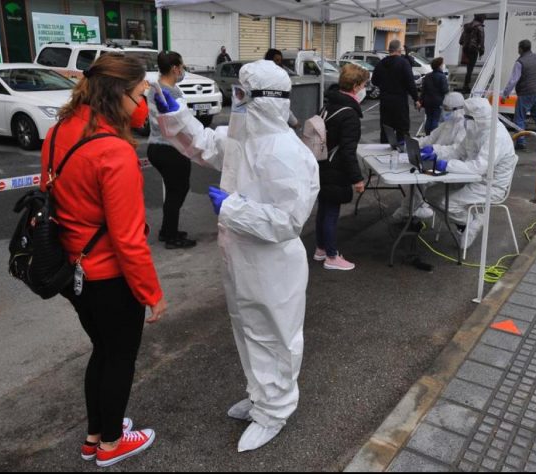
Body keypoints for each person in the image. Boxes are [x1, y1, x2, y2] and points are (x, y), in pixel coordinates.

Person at [154, 60, 319, 452]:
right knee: (247, 332)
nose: (235, 100)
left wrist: (233, 209)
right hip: (240, 259)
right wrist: (175, 115)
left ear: (265, 100)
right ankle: (261, 396)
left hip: (272, 266)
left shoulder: (290, 154)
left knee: (275, 336)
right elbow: (206, 144)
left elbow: (288, 221)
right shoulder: (243, 139)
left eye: (242, 94)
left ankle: (276, 410)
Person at [41, 54, 166, 467]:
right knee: (119, 357)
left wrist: (140, 95)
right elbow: (129, 239)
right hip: (109, 275)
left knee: (103, 351)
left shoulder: (61, 130)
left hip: (71, 269)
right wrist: (151, 293)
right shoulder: (114, 152)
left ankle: (95, 435)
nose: (142, 101)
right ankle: (112, 444)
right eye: (139, 93)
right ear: (119, 94)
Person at [420, 97, 518, 249]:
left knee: (448, 202)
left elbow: (479, 167)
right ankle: (463, 224)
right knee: (432, 193)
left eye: (467, 117)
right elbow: (457, 151)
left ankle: (470, 221)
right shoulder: (476, 130)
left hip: (490, 185)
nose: (464, 120)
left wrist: (446, 165)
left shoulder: (496, 136)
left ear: (479, 118)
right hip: (470, 178)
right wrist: (435, 153)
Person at [314, 63, 369, 270]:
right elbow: (348, 150)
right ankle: (331, 256)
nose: (365, 88)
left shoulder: (327, 106)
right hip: (336, 169)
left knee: (324, 208)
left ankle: (321, 249)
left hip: (320, 165)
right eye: (364, 84)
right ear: (355, 86)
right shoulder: (349, 114)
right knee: (331, 213)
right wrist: (357, 179)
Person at [146, 51, 197, 249]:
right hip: (171, 149)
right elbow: (183, 125)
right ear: (175, 68)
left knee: (174, 190)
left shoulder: (155, 89)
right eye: (182, 67)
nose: (182, 70)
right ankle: (172, 237)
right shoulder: (172, 92)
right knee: (179, 190)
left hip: (155, 147)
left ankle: (167, 231)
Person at [393, 91, 468, 221]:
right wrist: (409, 143)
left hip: (451, 166)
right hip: (436, 161)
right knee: (417, 178)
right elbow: (429, 139)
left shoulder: (464, 127)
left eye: (447, 109)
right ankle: (409, 210)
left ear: (458, 109)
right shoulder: (447, 123)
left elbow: (456, 150)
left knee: (420, 180)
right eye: (443, 108)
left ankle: (407, 212)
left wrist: (434, 150)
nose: (444, 111)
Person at [501, 39, 536, 151]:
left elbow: (513, 80)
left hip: (526, 93)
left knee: (520, 118)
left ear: (521, 49)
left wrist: (505, 94)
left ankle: (521, 142)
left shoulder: (520, 62)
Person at [371, 39, 420, 147]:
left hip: (385, 101)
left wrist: (384, 85)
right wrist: (416, 99)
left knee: (386, 129)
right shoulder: (403, 63)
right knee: (402, 128)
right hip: (400, 101)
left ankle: (383, 152)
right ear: (399, 50)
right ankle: (401, 152)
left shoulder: (381, 63)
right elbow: (410, 83)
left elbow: (374, 81)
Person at [264, 48, 299, 128]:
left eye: (280, 60)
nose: (279, 63)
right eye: (276, 60)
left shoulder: (281, 76)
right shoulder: (269, 79)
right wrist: (294, 121)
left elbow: (283, 103)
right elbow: (281, 103)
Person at [420, 57, 449, 135]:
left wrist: (420, 100)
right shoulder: (442, 76)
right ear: (439, 65)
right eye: (442, 64)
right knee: (435, 119)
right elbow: (445, 90)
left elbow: (423, 90)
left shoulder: (427, 76)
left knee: (429, 118)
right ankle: (433, 136)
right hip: (438, 101)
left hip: (427, 101)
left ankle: (427, 135)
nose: (443, 65)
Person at [460, 14, 485, 92]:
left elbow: (460, 41)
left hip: (465, 49)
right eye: (484, 18)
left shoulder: (467, 26)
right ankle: (466, 86)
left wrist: (465, 45)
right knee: (470, 69)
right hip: (473, 50)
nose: (484, 20)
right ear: (481, 18)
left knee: (469, 69)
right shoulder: (479, 27)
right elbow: (482, 40)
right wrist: (481, 51)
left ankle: (466, 85)